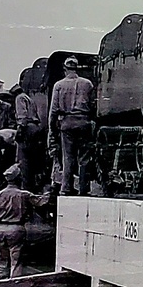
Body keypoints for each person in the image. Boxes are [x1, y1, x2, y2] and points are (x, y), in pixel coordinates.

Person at [0, 165, 49, 281]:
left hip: (1, 230)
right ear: (18, 179)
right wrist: (49, 191)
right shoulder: (24, 194)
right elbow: (42, 202)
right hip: (16, 230)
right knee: (16, 262)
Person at [49, 55, 96, 196]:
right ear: (76, 68)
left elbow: (54, 110)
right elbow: (94, 105)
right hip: (84, 121)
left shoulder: (59, 85)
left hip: (67, 123)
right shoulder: (87, 84)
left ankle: (66, 188)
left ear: (65, 69)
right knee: (84, 157)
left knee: (68, 157)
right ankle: (83, 189)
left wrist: (52, 128)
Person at [11, 84, 42, 191]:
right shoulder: (29, 99)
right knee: (32, 159)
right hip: (35, 127)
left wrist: (19, 131)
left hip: (27, 128)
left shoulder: (19, 98)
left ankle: (25, 187)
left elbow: (22, 116)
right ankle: (33, 186)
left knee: (23, 159)